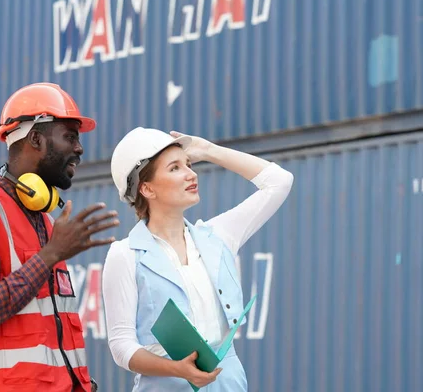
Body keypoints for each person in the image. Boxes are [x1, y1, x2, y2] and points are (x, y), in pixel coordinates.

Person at [0, 83, 119, 392]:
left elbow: (45, 339)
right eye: (70, 137)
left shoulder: (45, 223)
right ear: (36, 138)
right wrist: (50, 255)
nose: (79, 149)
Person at [102, 127, 294, 391]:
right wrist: (175, 368)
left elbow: (279, 182)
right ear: (147, 188)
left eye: (189, 164)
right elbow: (121, 345)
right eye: (174, 168)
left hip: (228, 384)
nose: (191, 174)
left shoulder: (219, 236)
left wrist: (208, 150)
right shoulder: (124, 255)